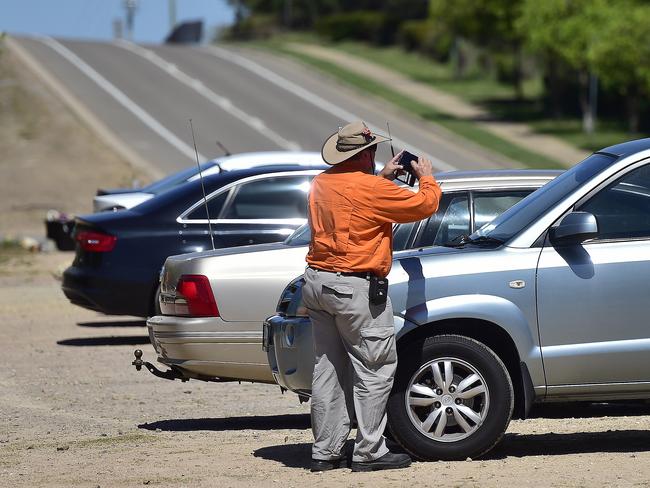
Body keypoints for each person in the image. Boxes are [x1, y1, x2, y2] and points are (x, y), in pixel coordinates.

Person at [303, 120, 441, 472]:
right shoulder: (368, 188)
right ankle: (369, 451)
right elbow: (424, 206)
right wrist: (425, 176)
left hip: (318, 283)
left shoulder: (321, 183)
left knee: (328, 370)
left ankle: (326, 450)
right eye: (373, 149)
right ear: (366, 154)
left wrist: (381, 178)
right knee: (374, 368)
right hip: (355, 288)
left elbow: (352, 203)